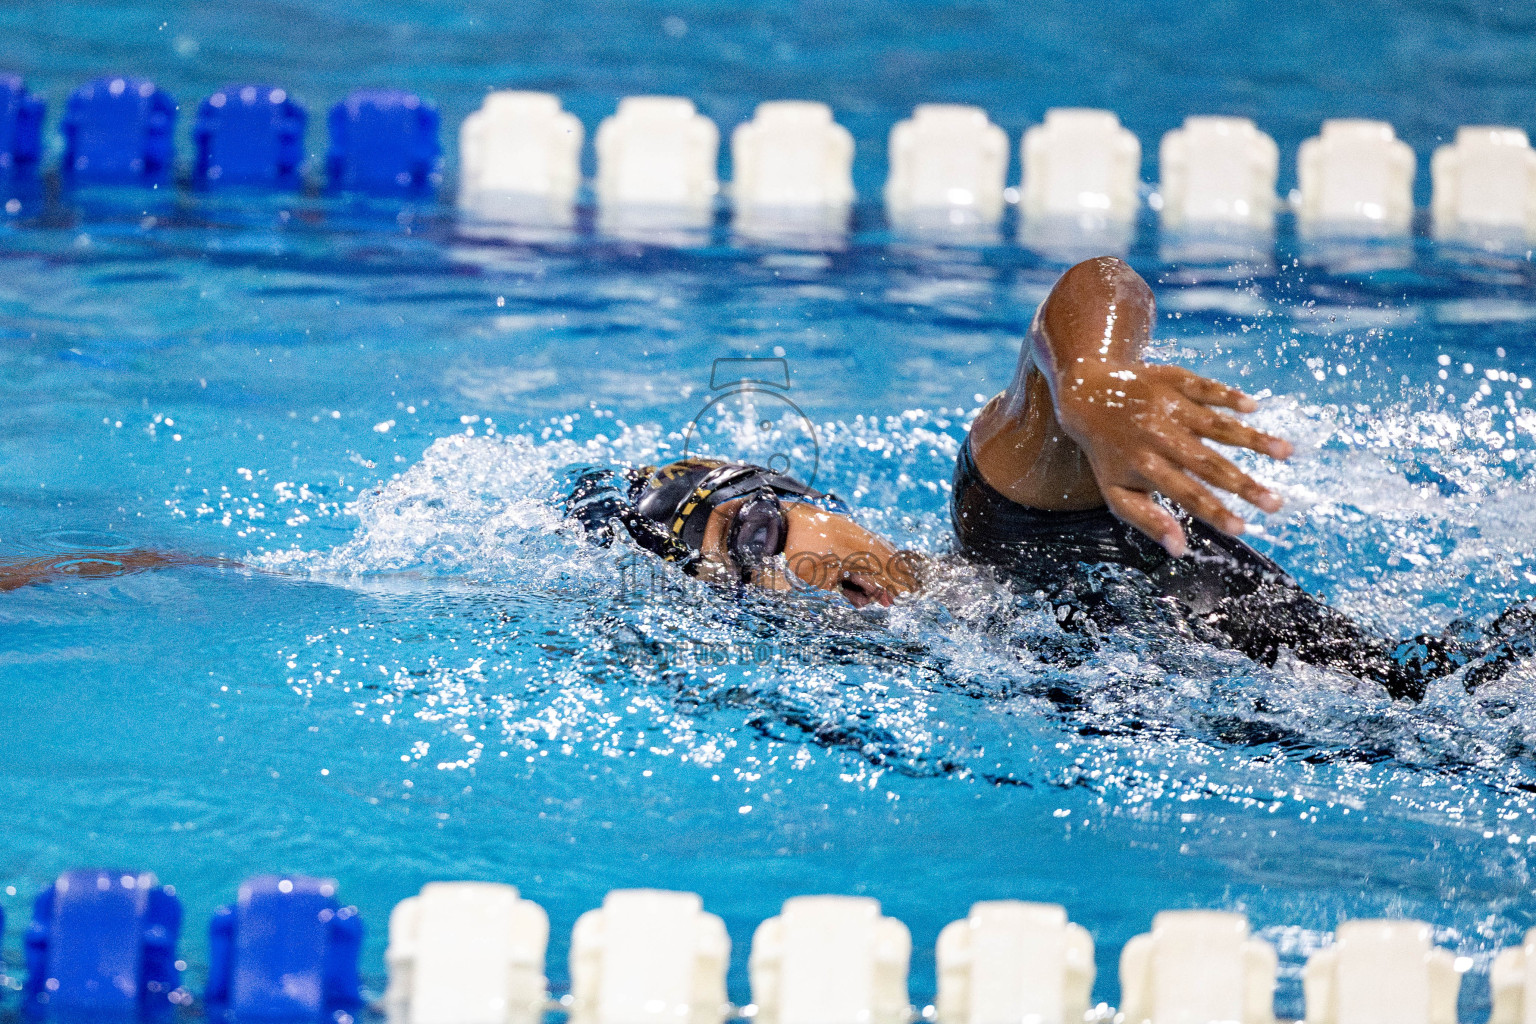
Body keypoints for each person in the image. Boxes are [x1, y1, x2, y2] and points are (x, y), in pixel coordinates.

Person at [571, 256, 1530, 700]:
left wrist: (1095, 386)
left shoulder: (1001, 522)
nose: (778, 580)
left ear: (814, 500)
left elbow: (1086, 291)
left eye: (754, 536)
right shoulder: (932, 679)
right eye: (736, 584)